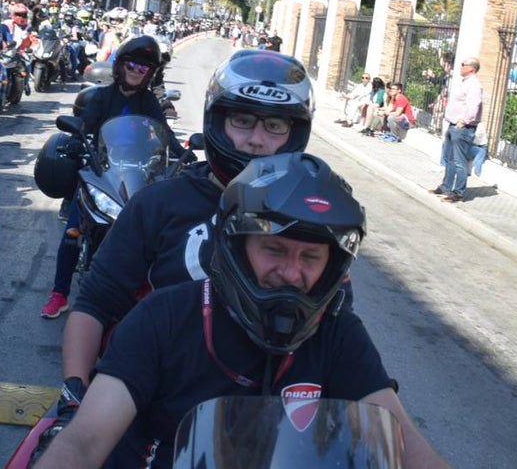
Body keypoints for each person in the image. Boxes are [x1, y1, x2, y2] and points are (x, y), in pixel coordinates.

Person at [35, 152, 449, 469]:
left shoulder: (337, 334)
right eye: (274, 249)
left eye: (311, 257)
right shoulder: (163, 319)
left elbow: (403, 441)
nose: (291, 272)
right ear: (235, 244)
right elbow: (85, 440)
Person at [48, 50, 316, 445]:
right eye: (242, 120)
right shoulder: (159, 204)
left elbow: (335, 332)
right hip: (154, 411)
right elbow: (95, 304)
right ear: (217, 119)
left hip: (267, 428)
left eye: (275, 126)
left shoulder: (311, 223)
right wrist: (74, 393)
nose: (257, 140)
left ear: (295, 133)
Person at [40, 35, 184, 319]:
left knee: (151, 232)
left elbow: (164, 133)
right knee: (73, 231)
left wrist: (183, 154)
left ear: (150, 74)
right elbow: (87, 127)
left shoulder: (149, 102)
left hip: (139, 171)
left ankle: (142, 288)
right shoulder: (101, 97)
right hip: (101, 168)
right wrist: (77, 141)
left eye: (144, 68)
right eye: (132, 64)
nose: (136, 70)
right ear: (120, 66)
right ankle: (60, 293)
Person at [433, 57, 483, 203]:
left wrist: (464, 121)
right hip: (453, 124)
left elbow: (474, 105)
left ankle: (458, 192)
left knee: (459, 161)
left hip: (462, 127)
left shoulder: (474, 85)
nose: (461, 67)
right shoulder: (465, 83)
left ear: (472, 68)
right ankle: (446, 187)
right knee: (449, 158)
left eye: (463, 65)